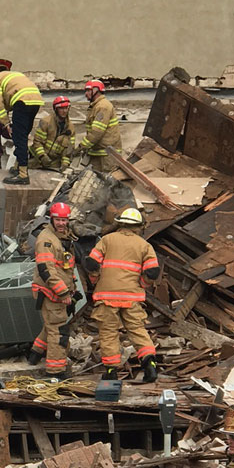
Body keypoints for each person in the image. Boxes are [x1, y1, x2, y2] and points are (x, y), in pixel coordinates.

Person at [79, 207, 161, 383]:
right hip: (132, 296)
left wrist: (96, 280)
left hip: (106, 295)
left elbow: (92, 264)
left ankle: (111, 372)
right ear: (138, 226)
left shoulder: (107, 240)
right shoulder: (144, 245)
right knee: (137, 330)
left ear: (120, 223)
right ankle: (150, 366)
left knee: (108, 332)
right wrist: (142, 285)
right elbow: (152, 272)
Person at [28, 201, 78, 378]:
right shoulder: (46, 240)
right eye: (58, 220)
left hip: (57, 290)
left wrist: (72, 288)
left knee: (51, 324)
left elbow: (65, 267)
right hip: (50, 291)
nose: (62, 223)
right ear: (52, 219)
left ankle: (35, 353)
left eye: (65, 220)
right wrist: (63, 291)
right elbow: (46, 270)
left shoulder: (62, 237)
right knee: (58, 329)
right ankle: (55, 370)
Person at [0, 58, 44, 185]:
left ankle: (23, 175)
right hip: (35, 101)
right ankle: (17, 166)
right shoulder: (16, 75)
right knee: (21, 137)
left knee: (19, 138)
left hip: (21, 102)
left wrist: (5, 123)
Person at [74, 80, 119, 168]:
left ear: (95, 90)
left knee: (105, 180)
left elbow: (96, 133)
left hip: (106, 155)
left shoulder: (103, 106)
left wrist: (81, 147)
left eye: (88, 90)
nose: (85, 94)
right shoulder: (96, 106)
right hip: (99, 153)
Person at [29, 97, 75, 170]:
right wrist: (42, 156)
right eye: (61, 108)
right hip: (38, 159)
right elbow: (37, 142)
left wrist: (65, 163)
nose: (65, 111)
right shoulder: (46, 122)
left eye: (66, 108)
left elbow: (69, 149)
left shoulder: (71, 127)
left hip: (54, 163)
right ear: (56, 109)